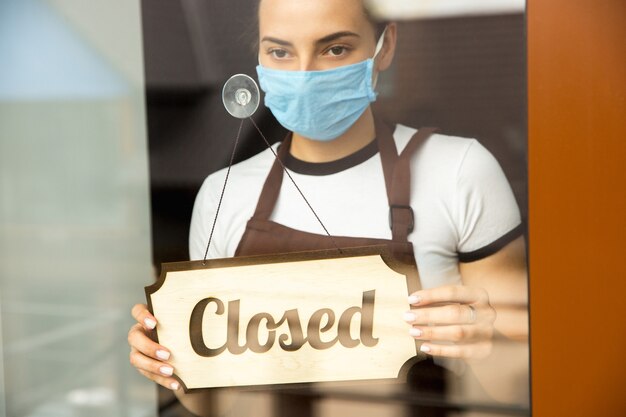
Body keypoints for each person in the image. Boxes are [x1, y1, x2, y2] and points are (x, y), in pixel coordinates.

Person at [128, 0, 528, 414]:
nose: (304, 76)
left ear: (384, 47)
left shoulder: (459, 171)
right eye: (280, 51)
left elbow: (517, 387)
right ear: (259, 57)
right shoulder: (222, 194)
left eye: (334, 49)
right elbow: (214, 400)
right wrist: (171, 365)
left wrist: (487, 344)